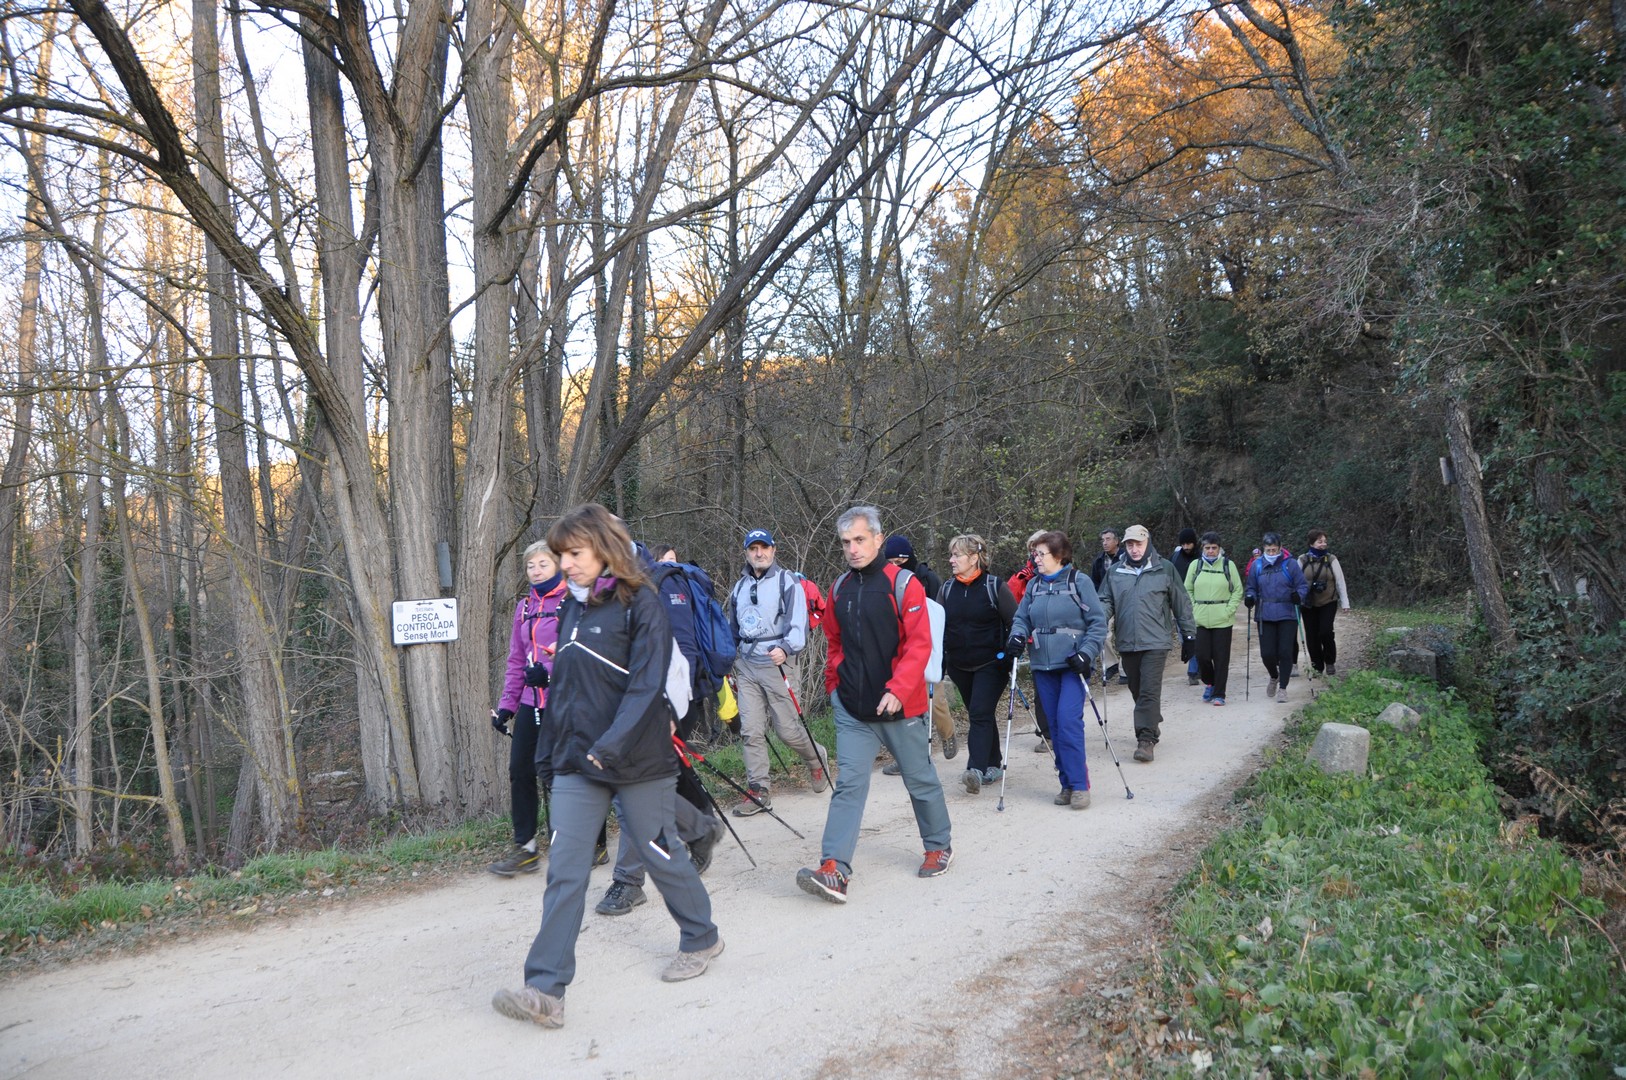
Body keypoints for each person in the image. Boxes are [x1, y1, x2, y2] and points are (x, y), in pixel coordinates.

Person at [492, 504, 722, 1029]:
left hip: (638, 758)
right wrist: (549, 755)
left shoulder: (643, 603)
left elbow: (646, 685)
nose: (566, 564)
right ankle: (545, 990)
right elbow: (565, 689)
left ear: (604, 548)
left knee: (660, 855)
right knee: (565, 870)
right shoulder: (570, 610)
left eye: (574, 553)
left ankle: (701, 937)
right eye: (561, 555)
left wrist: (612, 745)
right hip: (577, 761)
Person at [796, 506, 954, 903]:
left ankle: (938, 845)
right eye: (846, 542)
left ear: (878, 539)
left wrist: (898, 689)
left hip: (900, 706)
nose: (852, 549)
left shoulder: (904, 584)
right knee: (849, 785)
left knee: (919, 779)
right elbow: (834, 642)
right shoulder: (839, 588)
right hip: (853, 708)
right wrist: (835, 687)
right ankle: (834, 868)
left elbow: (920, 645)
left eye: (859, 540)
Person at [592, 547, 728, 917]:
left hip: (655, 707)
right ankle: (699, 827)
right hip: (617, 711)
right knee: (649, 788)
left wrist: (667, 710)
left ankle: (628, 880)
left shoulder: (653, 595)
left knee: (632, 791)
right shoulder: (594, 599)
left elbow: (678, 654)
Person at [728, 528, 830, 815]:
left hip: (778, 664)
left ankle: (816, 757)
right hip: (747, 665)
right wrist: (726, 661)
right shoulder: (739, 588)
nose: (759, 553)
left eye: (764, 548)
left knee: (787, 730)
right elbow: (733, 629)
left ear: (773, 550)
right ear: (746, 553)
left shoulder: (788, 582)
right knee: (750, 730)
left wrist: (786, 648)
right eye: (753, 549)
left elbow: (799, 625)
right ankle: (759, 791)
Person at [1006, 531, 1108, 809]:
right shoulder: (1034, 586)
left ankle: (1079, 785)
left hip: (1073, 665)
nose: (1035, 559)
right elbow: (1021, 619)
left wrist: (1086, 653)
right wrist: (1017, 636)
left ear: (1059, 555)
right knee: (1053, 725)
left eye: (1041, 554)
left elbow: (1097, 623)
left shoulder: (1079, 582)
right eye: (1034, 554)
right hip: (1043, 664)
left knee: (1068, 721)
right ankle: (1067, 783)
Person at [489, 541, 568, 876]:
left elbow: (581, 652)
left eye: (543, 564)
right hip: (529, 702)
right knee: (520, 770)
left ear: (558, 565)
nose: (536, 571)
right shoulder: (524, 607)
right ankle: (526, 848)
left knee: (562, 774)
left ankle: (578, 843)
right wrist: (506, 706)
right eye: (530, 566)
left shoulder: (572, 602)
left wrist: (549, 673)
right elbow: (516, 660)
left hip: (564, 701)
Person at [1095, 524, 1196, 764]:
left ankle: (1146, 739)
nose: (1134, 549)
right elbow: (1105, 601)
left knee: (1149, 691)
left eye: (1138, 544)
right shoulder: (1116, 572)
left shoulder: (1165, 568)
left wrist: (1190, 635)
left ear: (1147, 543)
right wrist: (1097, 623)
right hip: (1127, 641)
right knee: (1137, 690)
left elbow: (1181, 602)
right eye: (1130, 544)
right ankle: (1151, 721)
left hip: (1156, 641)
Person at [938, 533, 1017, 794]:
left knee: (980, 713)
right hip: (959, 665)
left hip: (992, 663)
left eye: (956, 555)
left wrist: (1010, 652)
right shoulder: (947, 589)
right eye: (951, 555)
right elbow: (938, 627)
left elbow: (1015, 621)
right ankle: (993, 763)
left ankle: (975, 769)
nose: (951, 560)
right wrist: (939, 661)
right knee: (980, 712)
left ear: (974, 558)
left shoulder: (994, 586)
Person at [883, 535, 956, 761]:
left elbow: (940, 616)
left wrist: (941, 654)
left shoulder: (927, 579)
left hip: (928, 647)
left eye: (900, 561)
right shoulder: (885, 581)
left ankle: (948, 734)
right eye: (891, 562)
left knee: (936, 701)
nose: (896, 566)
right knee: (902, 706)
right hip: (899, 651)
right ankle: (907, 756)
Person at [1244, 531, 1309, 704]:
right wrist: (1250, 597)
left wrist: (1299, 596)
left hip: (1287, 613)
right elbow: (1251, 587)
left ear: (1280, 548)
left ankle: (1283, 689)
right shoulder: (1257, 566)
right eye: (1268, 550)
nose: (1272, 553)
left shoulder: (1290, 564)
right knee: (1267, 654)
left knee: (1285, 652)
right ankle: (1274, 675)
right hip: (1265, 614)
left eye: (1274, 550)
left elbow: (1302, 585)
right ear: (1263, 549)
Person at [1183, 532, 1243, 706]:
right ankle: (1210, 682)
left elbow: (1237, 590)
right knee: (1202, 656)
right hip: (1200, 618)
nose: (1210, 551)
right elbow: (1187, 589)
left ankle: (1219, 694)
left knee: (1221, 658)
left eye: (1214, 548)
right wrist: (1194, 608)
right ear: (1202, 548)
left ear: (1219, 548)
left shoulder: (1228, 565)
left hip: (1223, 620)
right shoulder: (1195, 565)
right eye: (1207, 548)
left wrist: (1228, 610)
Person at [1007, 530, 1054, 752]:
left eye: (1042, 549)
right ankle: (1047, 734)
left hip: (1062, 638)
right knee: (1041, 688)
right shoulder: (1022, 578)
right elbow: (1013, 608)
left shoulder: (1067, 574)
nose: (1037, 555)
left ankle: (1065, 729)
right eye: (1034, 550)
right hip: (1034, 640)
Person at [1297, 529, 1351, 676]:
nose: (1323, 544)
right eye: (1319, 541)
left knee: (1326, 631)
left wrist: (1345, 602)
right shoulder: (1302, 560)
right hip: (1308, 603)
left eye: (1324, 541)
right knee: (1312, 635)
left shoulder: (1332, 559)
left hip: (1328, 601)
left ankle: (1330, 661)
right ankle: (1317, 666)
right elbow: (1295, 581)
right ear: (1311, 543)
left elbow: (1340, 581)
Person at [1090, 529, 1126, 682]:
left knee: (1125, 634)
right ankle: (1111, 664)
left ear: (1116, 541)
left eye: (1108, 539)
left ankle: (1125, 671)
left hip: (1124, 601)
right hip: (1105, 602)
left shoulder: (1126, 557)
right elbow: (1094, 583)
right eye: (1103, 540)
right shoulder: (1098, 561)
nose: (1105, 543)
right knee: (1103, 634)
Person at [1169, 528, 1201, 685]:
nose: (1186, 547)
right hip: (1180, 604)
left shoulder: (1202, 557)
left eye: (1189, 543)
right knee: (1186, 638)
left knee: (1197, 636)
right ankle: (1195, 668)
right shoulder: (1175, 558)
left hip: (1200, 604)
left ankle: (1195, 670)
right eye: (1183, 544)